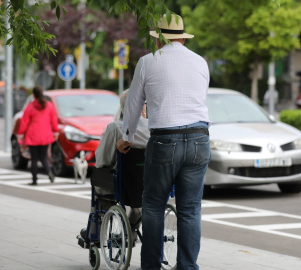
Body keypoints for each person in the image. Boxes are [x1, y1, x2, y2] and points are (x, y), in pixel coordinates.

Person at [116, 14, 211, 270]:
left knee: (154, 205)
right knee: (190, 209)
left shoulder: (148, 62)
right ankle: (188, 267)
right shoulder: (200, 62)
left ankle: (151, 266)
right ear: (182, 37)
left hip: (164, 140)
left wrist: (126, 138)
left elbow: (134, 104)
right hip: (200, 139)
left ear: (159, 39)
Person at [93, 89, 149, 232]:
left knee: (101, 181)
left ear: (124, 108)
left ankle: (97, 230)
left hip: (124, 184)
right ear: (144, 107)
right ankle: (134, 220)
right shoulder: (155, 129)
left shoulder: (116, 128)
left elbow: (102, 161)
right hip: (151, 182)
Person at [17, 86, 58, 185]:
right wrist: (56, 132)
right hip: (45, 135)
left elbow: (24, 122)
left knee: (34, 159)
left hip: (33, 136)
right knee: (44, 157)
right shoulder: (49, 105)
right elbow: (54, 120)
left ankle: (34, 180)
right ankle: (49, 172)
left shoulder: (30, 106)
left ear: (34, 95)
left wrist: (20, 134)